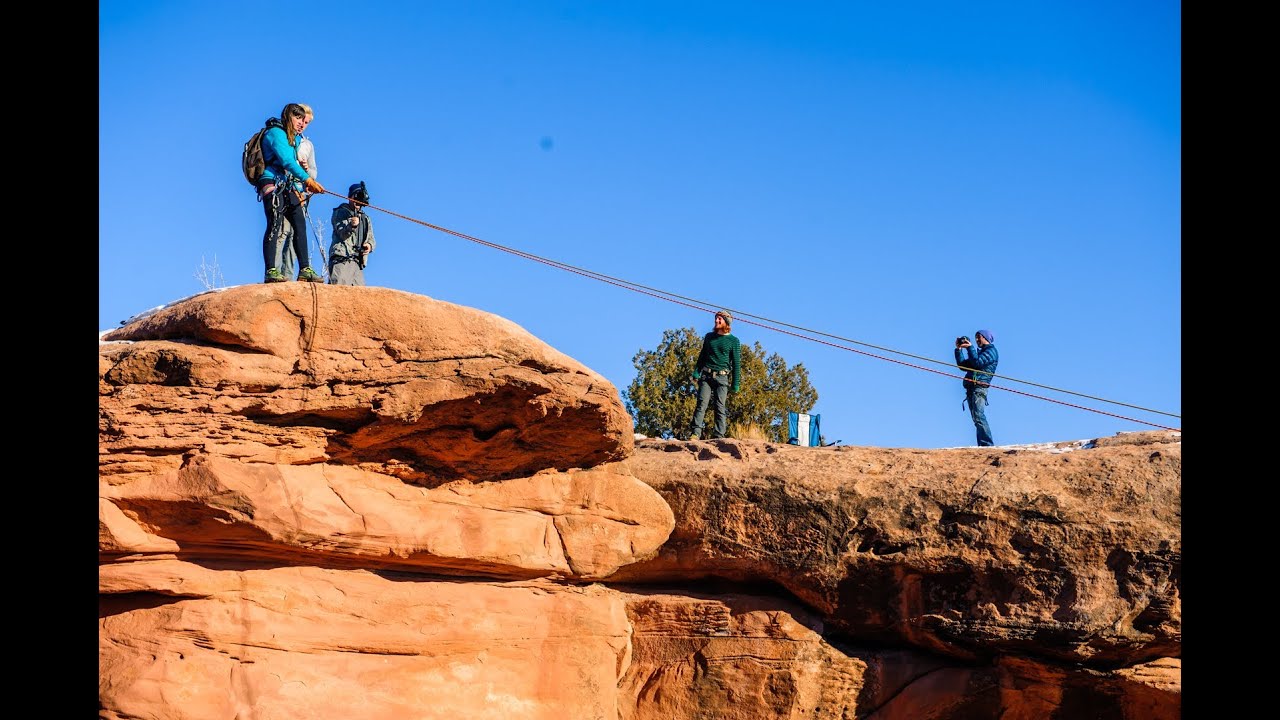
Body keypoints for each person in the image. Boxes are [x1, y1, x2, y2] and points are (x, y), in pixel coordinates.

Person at [257, 103, 325, 283]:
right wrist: (308, 180)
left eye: (304, 120)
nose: (301, 123)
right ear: (288, 117)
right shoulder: (275, 133)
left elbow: (291, 165)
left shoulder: (294, 139)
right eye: (298, 118)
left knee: (299, 223)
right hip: (271, 181)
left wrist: (306, 181)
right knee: (275, 223)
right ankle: (271, 270)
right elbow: (287, 161)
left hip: (287, 184)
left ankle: (305, 269)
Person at [687, 310, 741, 440]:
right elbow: (702, 356)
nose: (716, 321)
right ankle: (695, 433)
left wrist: (735, 383)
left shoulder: (734, 341)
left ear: (726, 322)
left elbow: (736, 364)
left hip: (722, 377)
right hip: (706, 375)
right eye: (716, 318)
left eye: (719, 319)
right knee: (702, 403)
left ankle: (719, 434)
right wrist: (696, 371)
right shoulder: (709, 337)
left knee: (719, 405)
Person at [277, 127, 318, 280]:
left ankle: (288, 273)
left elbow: (313, 174)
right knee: (282, 231)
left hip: (302, 194)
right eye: (301, 120)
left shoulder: (308, 144)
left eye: (307, 122)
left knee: (297, 232)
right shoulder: (285, 138)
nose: (303, 125)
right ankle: (276, 271)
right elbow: (284, 163)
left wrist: (306, 170)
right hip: (284, 189)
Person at [955, 329, 999, 446]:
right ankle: (983, 445)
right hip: (971, 388)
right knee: (976, 418)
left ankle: (987, 445)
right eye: (975, 337)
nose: (977, 340)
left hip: (979, 388)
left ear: (986, 338)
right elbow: (963, 366)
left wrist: (970, 348)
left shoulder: (991, 352)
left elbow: (977, 363)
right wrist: (958, 350)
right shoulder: (979, 352)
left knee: (979, 416)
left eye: (979, 337)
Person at [328, 182, 376, 286]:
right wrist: (351, 225)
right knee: (338, 293)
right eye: (356, 197)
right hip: (341, 260)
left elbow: (371, 239)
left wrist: (369, 246)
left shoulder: (365, 218)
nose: (358, 202)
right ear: (350, 197)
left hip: (357, 263)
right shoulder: (340, 212)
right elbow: (342, 233)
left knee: (359, 297)